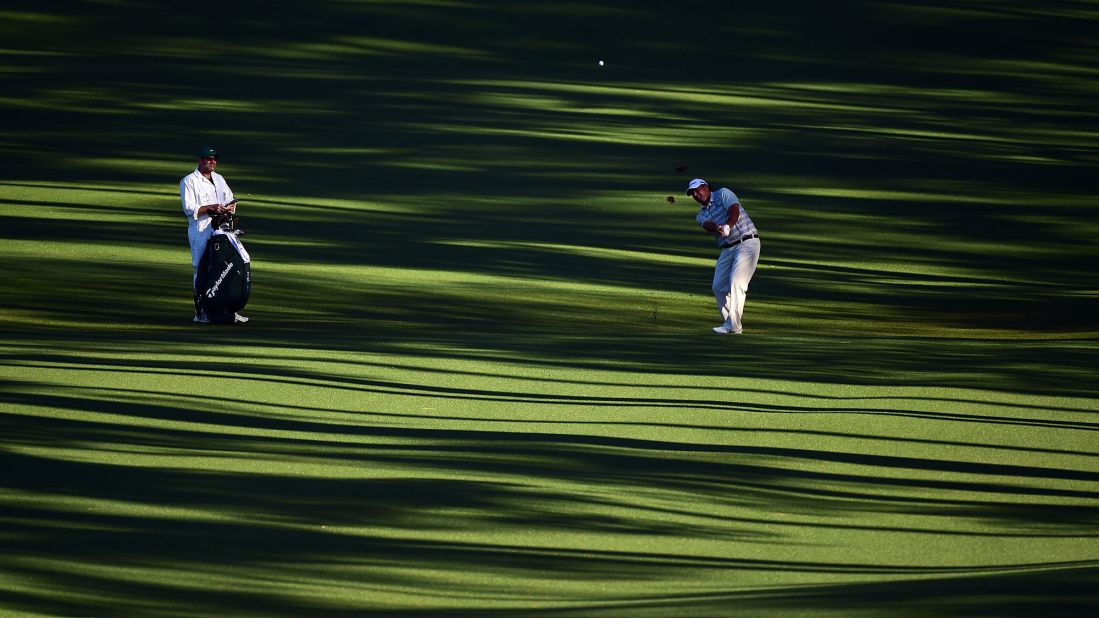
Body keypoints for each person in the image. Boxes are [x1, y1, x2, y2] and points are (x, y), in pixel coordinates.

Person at [180, 146, 248, 324]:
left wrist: (230, 207)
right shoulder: (189, 181)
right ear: (200, 160)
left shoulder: (219, 179)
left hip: (222, 228)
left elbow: (229, 197)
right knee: (201, 268)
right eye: (209, 159)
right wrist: (212, 207)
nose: (212, 162)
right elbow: (189, 209)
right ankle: (200, 312)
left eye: (214, 159)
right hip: (201, 230)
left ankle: (226, 309)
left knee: (226, 266)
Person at [684, 178, 760, 335]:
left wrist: (727, 225)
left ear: (707, 187)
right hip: (727, 248)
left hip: (747, 242)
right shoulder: (700, 215)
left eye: (698, 190)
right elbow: (707, 225)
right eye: (693, 193)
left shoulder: (723, 193)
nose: (696, 194)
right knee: (718, 286)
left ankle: (731, 326)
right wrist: (716, 227)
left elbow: (734, 210)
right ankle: (732, 325)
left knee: (737, 282)